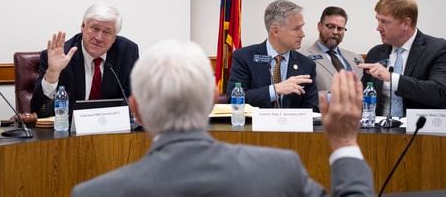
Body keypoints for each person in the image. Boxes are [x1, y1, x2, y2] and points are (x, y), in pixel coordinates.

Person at [72, 40, 373, 197]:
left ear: (135, 109)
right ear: (212, 102)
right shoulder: (281, 170)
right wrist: (345, 142)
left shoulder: (95, 193)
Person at [30, 2, 139, 118]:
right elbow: (39, 111)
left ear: (114, 37)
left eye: (107, 32)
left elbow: (132, 102)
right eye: (95, 28)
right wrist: (52, 74)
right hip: (70, 132)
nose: (99, 38)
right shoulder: (59, 56)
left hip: (112, 130)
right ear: (83, 26)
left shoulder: (127, 52)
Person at [359, 0, 446, 117]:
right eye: (378, 20)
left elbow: (440, 93)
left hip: (420, 132)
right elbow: (365, 98)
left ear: (406, 23)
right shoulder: (375, 53)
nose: (378, 28)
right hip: (377, 133)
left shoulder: (438, 49)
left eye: (385, 22)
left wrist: (392, 78)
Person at [226, 0, 318, 110]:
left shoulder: (307, 65)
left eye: (302, 27)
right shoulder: (244, 57)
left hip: (293, 127)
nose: (302, 34)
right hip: (254, 126)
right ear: (275, 31)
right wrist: (274, 90)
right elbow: (233, 99)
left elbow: (312, 109)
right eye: (296, 29)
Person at [302, 6, 363, 92]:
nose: (335, 32)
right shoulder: (303, 58)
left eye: (340, 28)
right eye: (330, 26)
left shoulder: (356, 58)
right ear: (319, 26)